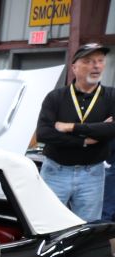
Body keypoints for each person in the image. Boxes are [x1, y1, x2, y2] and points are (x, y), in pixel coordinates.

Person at [36, 43, 115, 222]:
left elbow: (112, 130)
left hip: (92, 174)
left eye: (100, 61)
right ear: (74, 67)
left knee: (86, 229)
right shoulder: (55, 97)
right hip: (55, 171)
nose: (96, 66)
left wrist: (72, 127)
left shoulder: (111, 96)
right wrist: (85, 140)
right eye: (88, 61)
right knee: (47, 224)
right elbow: (44, 134)